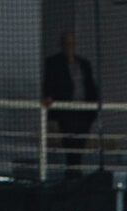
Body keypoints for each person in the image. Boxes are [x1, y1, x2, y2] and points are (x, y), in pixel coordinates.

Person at [41, 31, 99, 174]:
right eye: (66, 43)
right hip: (66, 112)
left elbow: (90, 86)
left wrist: (94, 107)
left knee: (80, 144)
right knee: (70, 144)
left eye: (72, 43)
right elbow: (48, 83)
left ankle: (75, 173)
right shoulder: (53, 63)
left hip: (84, 113)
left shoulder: (84, 64)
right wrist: (48, 97)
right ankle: (73, 175)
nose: (69, 47)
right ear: (61, 45)